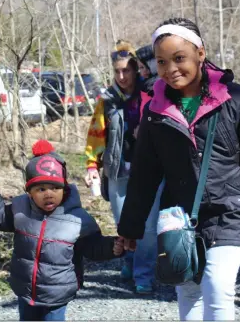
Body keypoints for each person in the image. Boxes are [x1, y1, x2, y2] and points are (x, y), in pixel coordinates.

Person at [117, 17, 240, 321]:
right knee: (188, 289)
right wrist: (130, 227)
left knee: (217, 286)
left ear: (200, 54)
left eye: (180, 58)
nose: (171, 69)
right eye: (162, 62)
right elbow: (144, 175)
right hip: (180, 216)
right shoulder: (155, 111)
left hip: (230, 211)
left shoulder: (236, 99)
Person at [0, 140, 124, 321]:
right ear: (30, 192)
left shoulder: (77, 218)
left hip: (58, 292)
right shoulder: (20, 209)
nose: (49, 193)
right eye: (41, 189)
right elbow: (1, 218)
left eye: (55, 188)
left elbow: (92, 246)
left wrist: (112, 247)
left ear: (64, 189)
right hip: (26, 289)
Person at [84, 40, 159, 294]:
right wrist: (92, 165)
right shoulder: (107, 100)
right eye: (117, 71)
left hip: (148, 171)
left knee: (148, 227)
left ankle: (144, 274)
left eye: (126, 70)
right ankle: (129, 261)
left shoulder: (150, 93)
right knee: (123, 223)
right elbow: (96, 134)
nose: (121, 75)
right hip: (117, 170)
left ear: (136, 69)